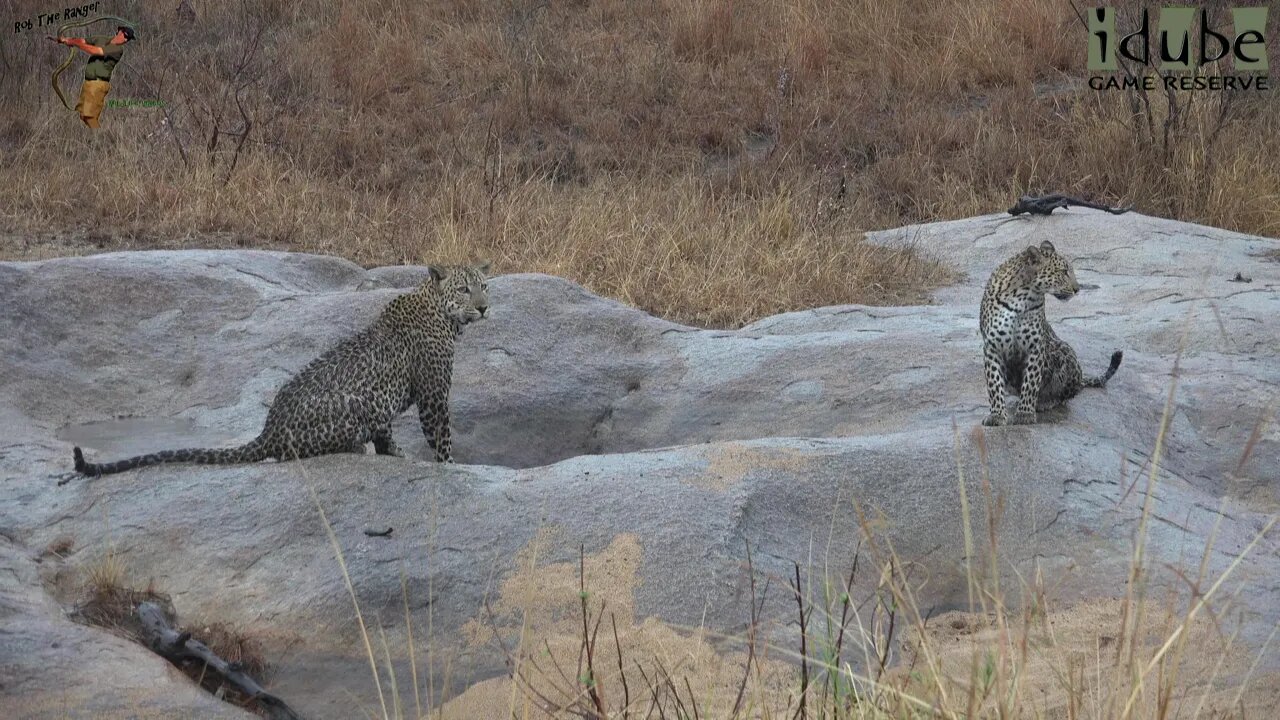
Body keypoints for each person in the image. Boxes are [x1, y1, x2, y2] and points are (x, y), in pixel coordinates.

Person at [46, 25, 136, 128]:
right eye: (125, 35)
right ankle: (93, 135)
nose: (125, 39)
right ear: (119, 31)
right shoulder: (101, 39)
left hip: (98, 85)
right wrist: (66, 40)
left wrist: (73, 42)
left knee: (89, 117)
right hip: (88, 83)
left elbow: (96, 51)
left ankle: (98, 135)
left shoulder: (118, 49)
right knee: (83, 115)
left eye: (128, 38)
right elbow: (83, 41)